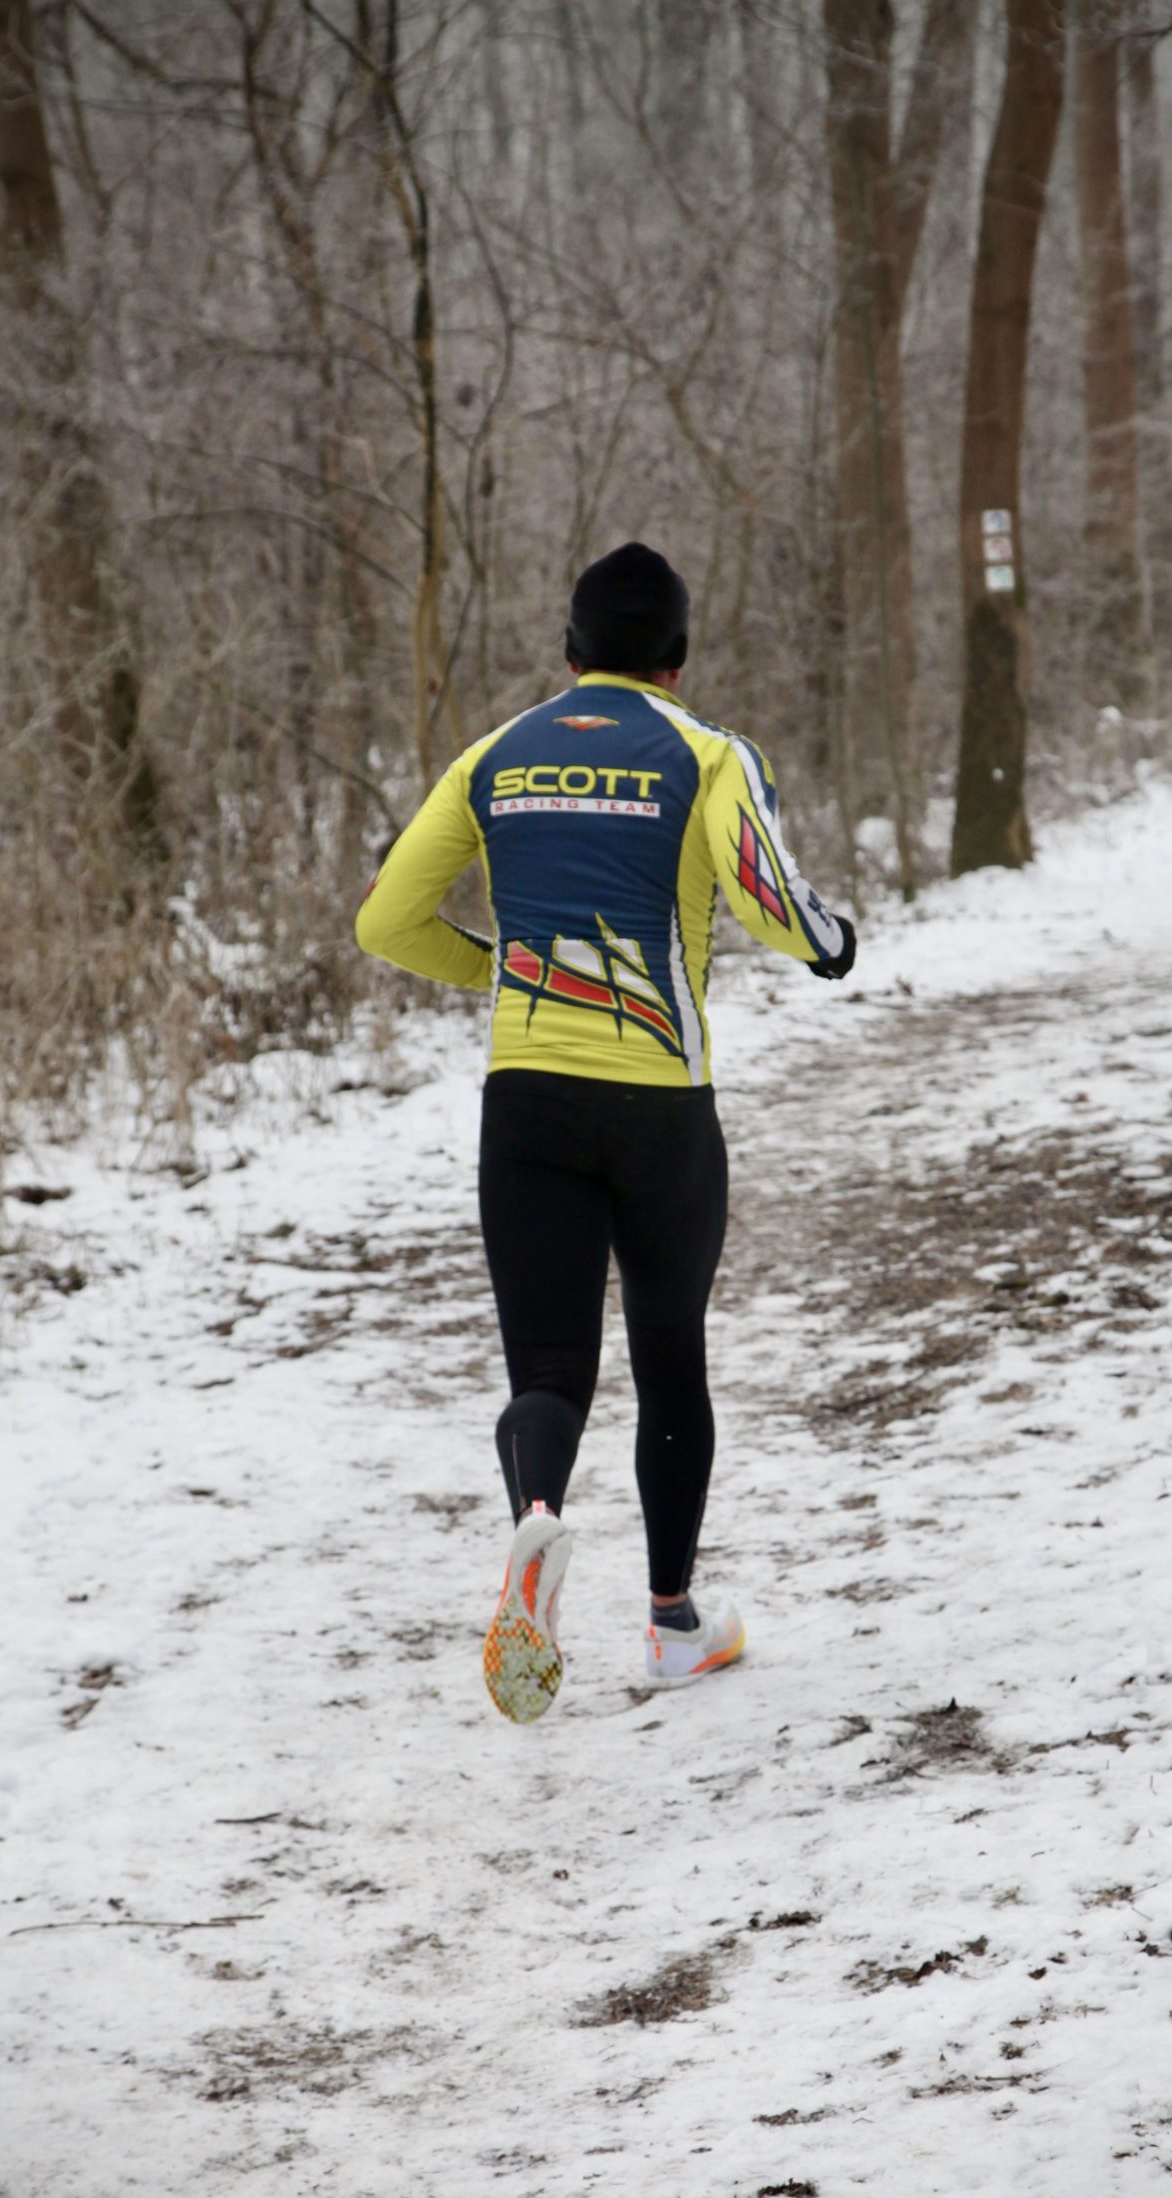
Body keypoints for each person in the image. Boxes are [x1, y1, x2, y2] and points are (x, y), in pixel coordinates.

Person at [354, 543, 856, 1724]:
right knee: (669, 1348)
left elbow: (385, 919)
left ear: (568, 653)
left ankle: (535, 1522)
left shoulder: (493, 757)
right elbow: (769, 898)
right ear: (678, 662)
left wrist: (494, 970)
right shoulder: (706, 753)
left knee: (546, 1368)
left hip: (524, 1096)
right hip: (660, 1106)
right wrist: (833, 942)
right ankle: (673, 1622)